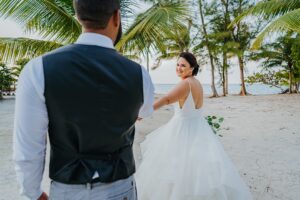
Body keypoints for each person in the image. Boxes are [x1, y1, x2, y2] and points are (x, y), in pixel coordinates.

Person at [13, 0, 154, 199]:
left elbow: (29, 147)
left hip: (68, 190)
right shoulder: (139, 74)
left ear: (78, 15)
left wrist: (32, 192)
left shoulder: (38, 69)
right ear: (116, 17)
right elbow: (143, 113)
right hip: (121, 188)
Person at [135, 52, 252, 200]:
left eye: (183, 65)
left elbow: (166, 99)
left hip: (182, 128)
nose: (179, 68)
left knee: (177, 168)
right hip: (198, 127)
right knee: (197, 168)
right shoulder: (196, 83)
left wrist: (143, 113)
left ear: (192, 68)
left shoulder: (185, 84)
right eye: (177, 64)